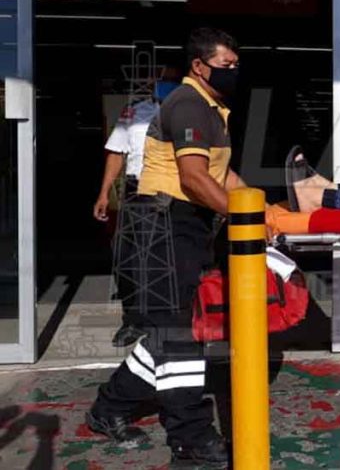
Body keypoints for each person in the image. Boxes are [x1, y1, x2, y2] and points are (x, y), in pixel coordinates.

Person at [86, 28, 246, 467]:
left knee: (166, 332)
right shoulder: (189, 103)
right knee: (179, 337)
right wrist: (243, 217)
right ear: (200, 66)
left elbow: (222, 175)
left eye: (236, 64)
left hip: (184, 226)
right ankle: (190, 436)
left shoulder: (214, 108)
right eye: (226, 65)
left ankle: (109, 407)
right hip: (161, 225)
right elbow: (195, 178)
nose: (234, 71)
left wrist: (262, 209)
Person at [93, 69, 181, 347]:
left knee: (166, 260)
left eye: (169, 78)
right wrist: (104, 192)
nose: (161, 84)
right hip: (136, 190)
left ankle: (165, 321)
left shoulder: (190, 112)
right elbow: (117, 152)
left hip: (172, 189)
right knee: (125, 257)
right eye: (159, 79)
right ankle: (133, 320)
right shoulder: (134, 112)